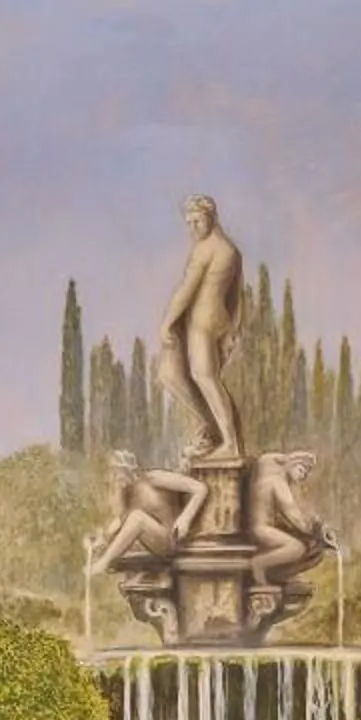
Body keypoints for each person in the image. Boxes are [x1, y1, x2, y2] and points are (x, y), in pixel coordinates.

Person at [157, 195, 246, 465]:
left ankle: (230, 443)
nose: (193, 228)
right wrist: (232, 327)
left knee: (204, 377)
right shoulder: (231, 250)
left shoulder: (207, 249)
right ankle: (213, 429)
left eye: (197, 221)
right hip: (215, 319)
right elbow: (237, 296)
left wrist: (167, 322)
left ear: (211, 217)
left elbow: (187, 289)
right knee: (170, 374)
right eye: (189, 223)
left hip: (202, 321)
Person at [85, 450, 211, 580]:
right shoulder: (129, 499)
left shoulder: (154, 478)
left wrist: (185, 518)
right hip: (159, 545)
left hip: (175, 539)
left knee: (137, 518)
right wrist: (102, 541)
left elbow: (200, 488)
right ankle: (106, 562)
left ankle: (105, 563)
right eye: (113, 476)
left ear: (129, 470)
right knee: (135, 519)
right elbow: (119, 521)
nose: (115, 479)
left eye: (117, 473)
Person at [246, 450, 333, 583]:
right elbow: (291, 513)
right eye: (301, 470)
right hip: (262, 529)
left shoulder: (273, 480)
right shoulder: (277, 482)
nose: (303, 475)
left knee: (310, 549)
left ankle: (278, 575)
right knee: (297, 548)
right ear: (291, 465)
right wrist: (314, 531)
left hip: (266, 528)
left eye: (306, 473)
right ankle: (259, 564)